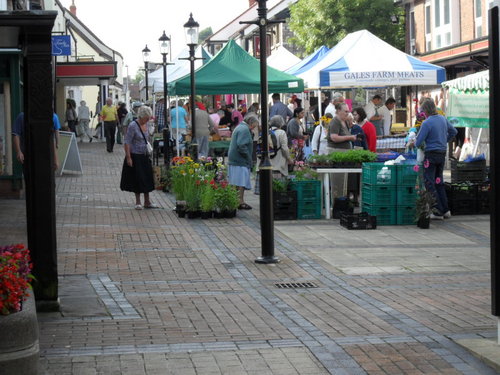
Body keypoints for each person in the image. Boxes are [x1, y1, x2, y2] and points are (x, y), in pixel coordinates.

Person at [415, 98, 457, 220]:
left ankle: (437, 210)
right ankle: (446, 209)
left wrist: (415, 142)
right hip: (442, 154)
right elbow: (453, 131)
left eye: (423, 110)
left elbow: (418, 142)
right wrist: (445, 140)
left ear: (426, 110)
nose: (423, 113)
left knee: (429, 182)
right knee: (439, 182)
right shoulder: (443, 119)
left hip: (431, 156)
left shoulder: (427, 123)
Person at [120, 106, 157, 210]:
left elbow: (148, 137)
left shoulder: (146, 124)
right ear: (142, 116)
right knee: (137, 178)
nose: (148, 119)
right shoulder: (133, 125)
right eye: (147, 117)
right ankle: (138, 202)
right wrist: (128, 157)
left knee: (147, 178)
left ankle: (147, 201)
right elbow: (127, 142)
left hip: (144, 155)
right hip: (135, 155)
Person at [228, 114, 259, 210]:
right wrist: (248, 157)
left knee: (236, 182)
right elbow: (241, 145)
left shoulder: (240, 127)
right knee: (240, 182)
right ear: (251, 122)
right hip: (239, 160)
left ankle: (236, 201)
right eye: (255, 124)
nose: (255, 127)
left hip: (235, 159)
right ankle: (240, 201)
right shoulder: (244, 130)